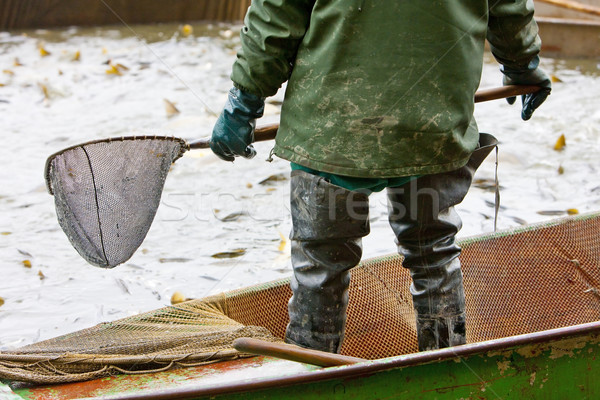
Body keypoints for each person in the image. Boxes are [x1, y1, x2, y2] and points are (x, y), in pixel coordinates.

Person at [209, 0, 551, 353]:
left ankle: (309, 374)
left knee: (320, 267)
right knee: (434, 254)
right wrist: (522, 64)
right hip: (434, 121)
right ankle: (446, 369)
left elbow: (276, 13)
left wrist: (244, 100)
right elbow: (508, 7)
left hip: (331, 125)